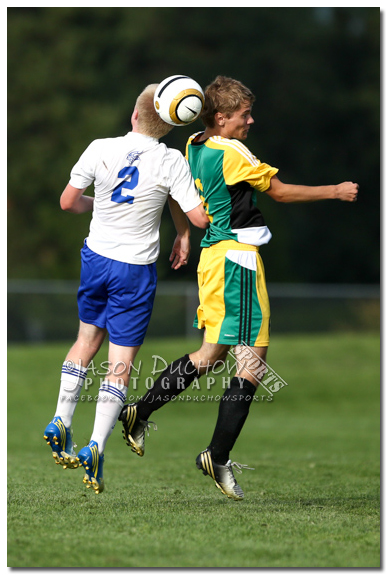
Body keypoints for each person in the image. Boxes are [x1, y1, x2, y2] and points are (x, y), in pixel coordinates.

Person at [119, 75, 359, 500]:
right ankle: (217, 454)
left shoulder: (194, 143)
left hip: (215, 261)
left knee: (210, 355)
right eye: (244, 115)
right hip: (237, 262)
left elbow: (182, 195)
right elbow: (280, 193)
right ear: (222, 118)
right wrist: (334, 191)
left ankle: (141, 410)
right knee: (252, 363)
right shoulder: (232, 152)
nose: (251, 120)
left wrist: (185, 234)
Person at [43, 83, 209, 494]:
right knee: (120, 364)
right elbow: (199, 218)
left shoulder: (100, 146)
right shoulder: (171, 160)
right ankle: (96, 445)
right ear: (170, 125)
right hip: (134, 270)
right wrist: (192, 223)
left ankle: (62, 419)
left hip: (95, 258)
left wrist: (101, 204)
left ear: (134, 115)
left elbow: (68, 201)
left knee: (85, 341)